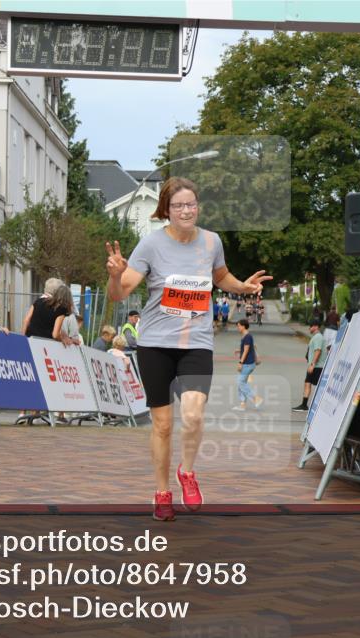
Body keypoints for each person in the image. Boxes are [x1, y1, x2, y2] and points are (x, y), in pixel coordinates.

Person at [104, 176, 272, 521]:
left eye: (191, 204)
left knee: (193, 416)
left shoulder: (211, 242)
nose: (186, 210)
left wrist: (243, 286)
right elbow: (120, 293)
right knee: (163, 425)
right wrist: (115, 274)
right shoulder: (150, 245)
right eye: (179, 205)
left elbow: (221, 277)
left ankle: (188, 472)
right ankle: (162, 491)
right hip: (155, 345)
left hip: (196, 342)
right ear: (166, 210)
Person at [293, 320, 327, 411]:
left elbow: (318, 351)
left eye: (311, 326)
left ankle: (313, 405)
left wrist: (313, 364)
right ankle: (304, 405)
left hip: (317, 366)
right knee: (307, 383)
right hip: (315, 366)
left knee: (317, 385)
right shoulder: (316, 337)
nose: (309, 328)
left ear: (316, 326)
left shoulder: (318, 337)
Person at [233, 318, 263, 411]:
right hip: (248, 363)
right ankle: (242, 404)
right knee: (241, 382)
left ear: (243, 326)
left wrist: (240, 362)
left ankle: (255, 399)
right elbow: (250, 347)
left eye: (238, 326)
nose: (237, 328)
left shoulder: (247, 336)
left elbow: (246, 350)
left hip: (247, 364)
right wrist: (239, 350)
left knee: (241, 382)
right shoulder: (246, 336)